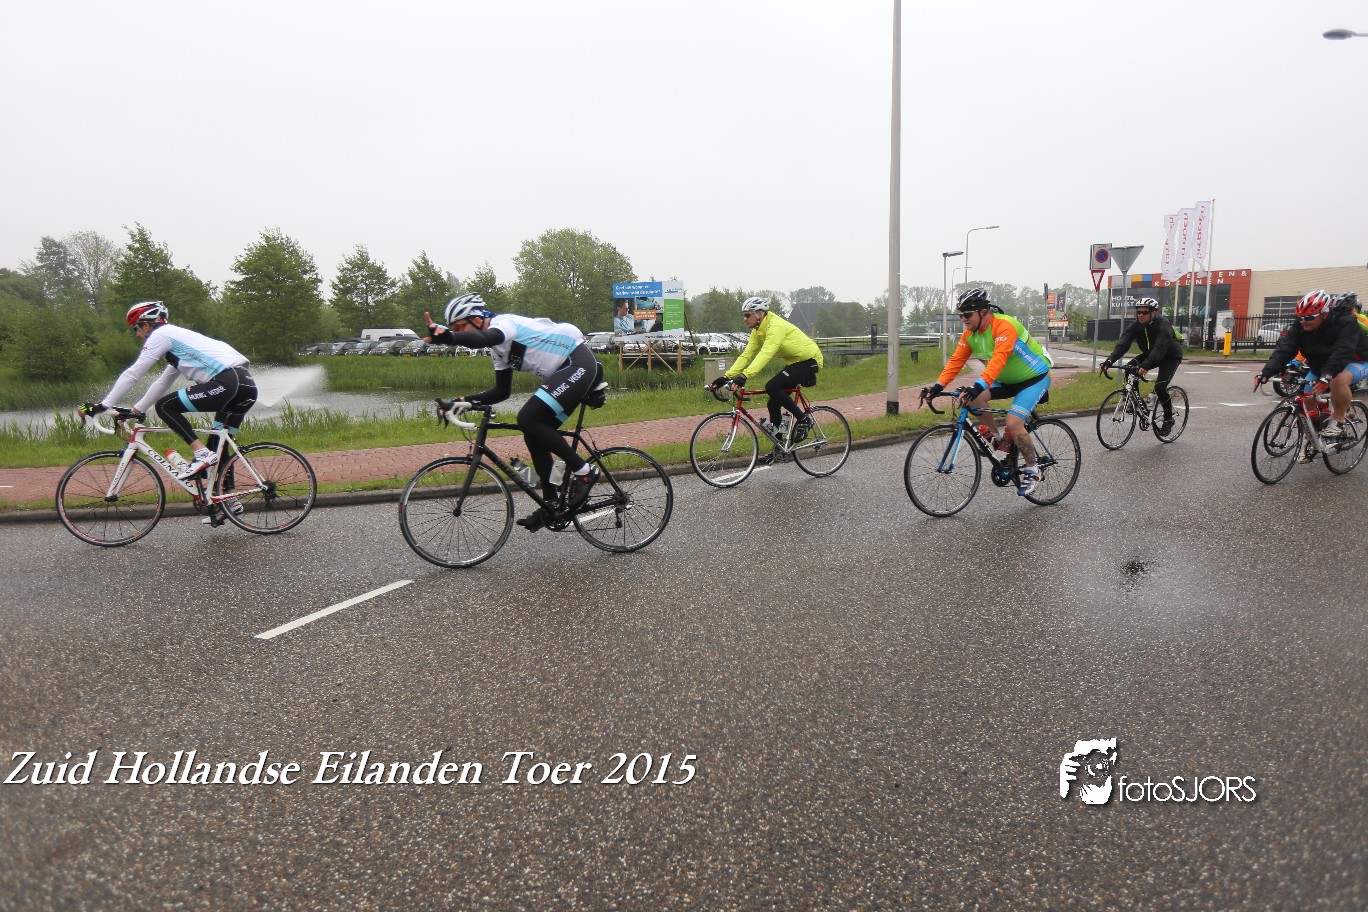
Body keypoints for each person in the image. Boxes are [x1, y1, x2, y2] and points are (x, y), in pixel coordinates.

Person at [424, 293, 604, 531]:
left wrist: (450, 337)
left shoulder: (504, 325)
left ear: (477, 319)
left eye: (459, 326)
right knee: (533, 433)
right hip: (567, 373)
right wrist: (459, 402)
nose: (458, 331)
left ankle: (584, 471)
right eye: (455, 328)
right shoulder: (498, 351)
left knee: (527, 419)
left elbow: (485, 337)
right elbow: (501, 392)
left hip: (577, 363)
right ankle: (551, 503)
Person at [81, 302, 257, 522]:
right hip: (246, 387)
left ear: (146, 326)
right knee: (218, 445)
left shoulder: (160, 335)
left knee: (165, 406)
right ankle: (229, 502)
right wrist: (135, 410)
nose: (137, 335)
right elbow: (161, 382)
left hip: (227, 383)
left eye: (136, 329)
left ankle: (201, 454)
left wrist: (104, 405)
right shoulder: (177, 343)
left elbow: (134, 373)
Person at [922, 288, 1053, 496]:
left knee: (1014, 422)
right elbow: (956, 361)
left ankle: (1033, 468)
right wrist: (938, 387)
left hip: (1034, 378)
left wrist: (978, 386)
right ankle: (999, 440)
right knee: (971, 399)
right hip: (1006, 381)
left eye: (967, 315)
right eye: (961, 315)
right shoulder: (970, 334)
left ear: (983, 312)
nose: (964, 319)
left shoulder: (1004, 325)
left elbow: (998, 360)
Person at [708, 296, 823, 463]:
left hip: (809, 360)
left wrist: (744, 376)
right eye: (744, 315)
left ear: (760, 313)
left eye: (747, 315)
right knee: (772, 403)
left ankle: (804, 419)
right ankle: (779, 449)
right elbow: (747, 355)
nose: (744, 319)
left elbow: (766, 353)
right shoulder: (757, 331)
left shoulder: (775, 326)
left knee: (772, 386)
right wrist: (727, 376)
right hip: (794, 363)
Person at [1255, 289, 1368, 438]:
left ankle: (1338, 421)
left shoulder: (1345, 322)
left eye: (1309, 317)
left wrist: (1327, 376)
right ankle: (1316, 440)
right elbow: (1286, 348)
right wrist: (1267, 371)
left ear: (1324, 314)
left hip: (1356, 359)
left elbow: (1342, 351)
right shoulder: (1300, 325)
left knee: (1337, 381)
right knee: (1307, 404)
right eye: (1300, 317)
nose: (1303, 321)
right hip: (1321, 364)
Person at [1098, 297, 1184, 435]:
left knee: (1160, 387)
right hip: (1151, 354)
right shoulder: (1135, 325)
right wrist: (1109, 361)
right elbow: (1123, 344)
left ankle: (1168, 419)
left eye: (1144, 312)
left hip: (1170, 356)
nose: (1140, 315)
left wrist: (1146, 365)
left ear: (1154, 313)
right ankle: (1137, 403)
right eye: (1138, 312)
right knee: (1129, 368)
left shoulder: (1163, 324)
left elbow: (1160, 347)